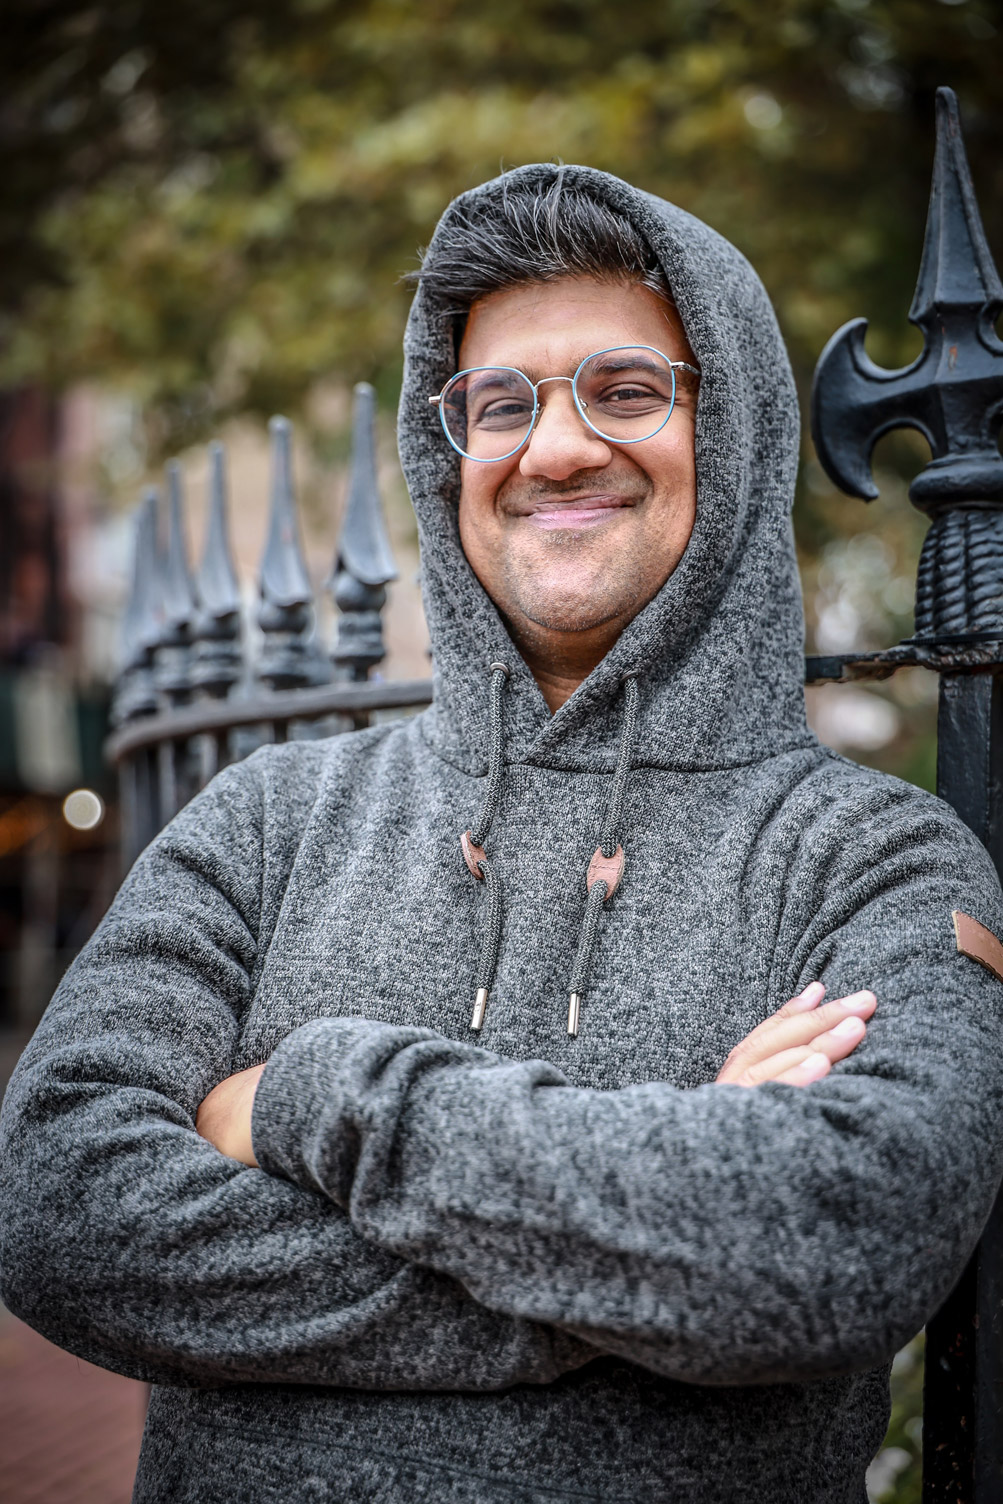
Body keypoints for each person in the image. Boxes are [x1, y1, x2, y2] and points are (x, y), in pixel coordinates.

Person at [2, 165, 1003, 1504]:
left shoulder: (875, 858)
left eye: (626, 390)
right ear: (450, 453)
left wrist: (312, 1095)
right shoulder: (267, 817)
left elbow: (836, 1248)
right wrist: (659, 1253)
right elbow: (58, 1209)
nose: (556, 449)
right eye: (500, 404)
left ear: (737, 431)